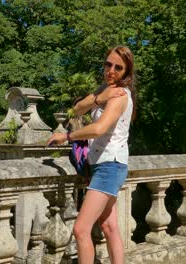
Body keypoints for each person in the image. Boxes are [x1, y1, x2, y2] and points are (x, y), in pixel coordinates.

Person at [46, 45, 136, 264]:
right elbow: (75, 110)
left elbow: (99, 129)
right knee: (108, 226)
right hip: (103, 165)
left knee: (80, 229)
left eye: (118, 67)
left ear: (126, 72)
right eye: (108, 64)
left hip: (109, 166)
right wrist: (98, 97)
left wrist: (67, 137)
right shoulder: (105, 90)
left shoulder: (119, 95)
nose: (111, 70)